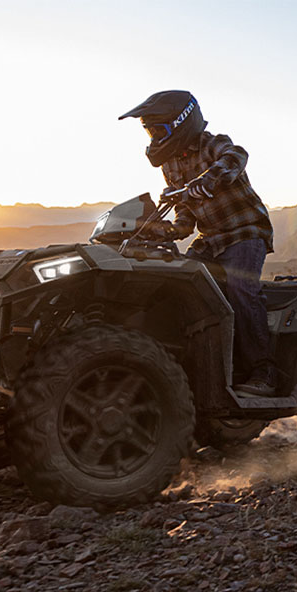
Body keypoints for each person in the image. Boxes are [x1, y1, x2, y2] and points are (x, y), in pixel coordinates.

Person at [119, 90, 276, 396]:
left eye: (158, 129)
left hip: (245, 232)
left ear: (180, 123)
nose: (153, 137)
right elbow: (185, 210)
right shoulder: (171, 165)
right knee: (181, 287)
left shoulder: (213, 143)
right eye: (149, 131)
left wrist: (206, 180)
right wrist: (170, 230)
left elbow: (236, 157)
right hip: (210, 240)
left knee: (240, 287)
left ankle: (264, 372)